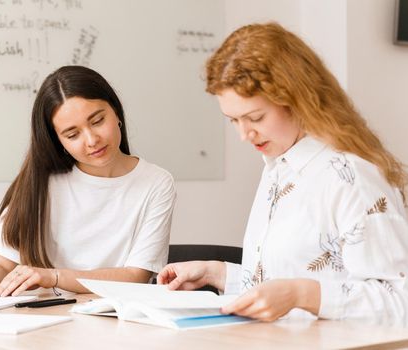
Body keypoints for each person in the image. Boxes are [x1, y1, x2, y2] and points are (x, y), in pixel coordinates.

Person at [158, 22, 408, 323]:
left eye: (255, 117)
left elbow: (399, 299)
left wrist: (302, 294)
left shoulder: (351, 176)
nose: (245, 134)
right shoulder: (280, 167)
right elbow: (283, 281)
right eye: (233, 121)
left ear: (298, 99)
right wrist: (217, 272)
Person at [0, 66, 176, 307]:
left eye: (97, 120)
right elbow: (2, 264)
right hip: (48, 319)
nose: (91, 140)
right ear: (58, 140)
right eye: (72, 134)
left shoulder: (155, 182)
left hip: (115, 320)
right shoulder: (43, 181)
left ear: (116, 113)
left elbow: (136, 276)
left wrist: (52, 276)